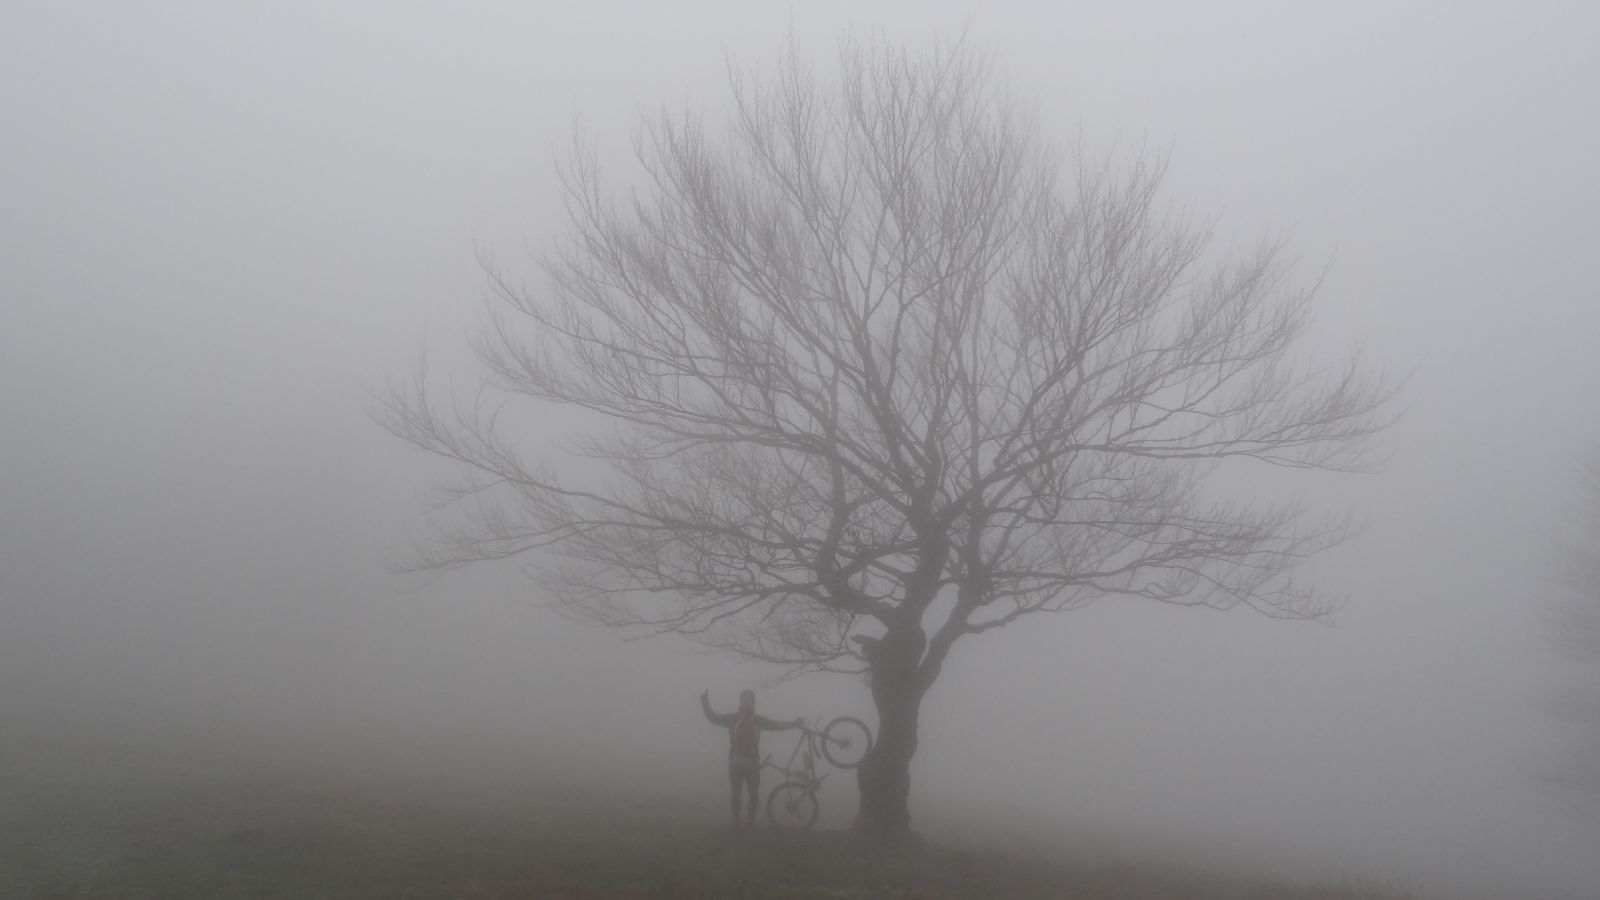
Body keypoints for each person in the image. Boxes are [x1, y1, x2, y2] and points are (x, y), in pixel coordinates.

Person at [700, 688, 803, 826]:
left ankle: (737, 823)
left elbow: (713, 718)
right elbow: (778, 726)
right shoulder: (758, 720)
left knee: (737, 794)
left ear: (743, 703)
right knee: (752, 794)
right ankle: (749, 824)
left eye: (747, 700)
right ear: (746, 703)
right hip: (752, 763)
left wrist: (705, 702)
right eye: (745, 700)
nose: (747, 703)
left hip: (736, 762)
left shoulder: (734, 718)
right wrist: (794, 723)